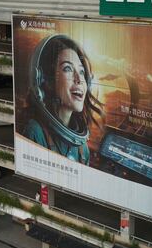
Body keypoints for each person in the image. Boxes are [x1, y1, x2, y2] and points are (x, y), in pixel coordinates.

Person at [22, 34, 102, 165]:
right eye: (68, 68)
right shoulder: (35, 132)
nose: (79, 79)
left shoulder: (83, 149)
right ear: (46, 80)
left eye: (81, 72)